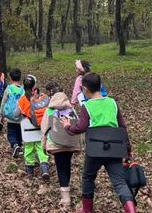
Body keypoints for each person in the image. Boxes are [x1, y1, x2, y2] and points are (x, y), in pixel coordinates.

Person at [63, 72, 136, 213]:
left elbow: (81, 127)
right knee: (119, 182)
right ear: (100, 85)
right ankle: (132, 211)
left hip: (95, 148)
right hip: (115, 147)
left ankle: (87, 210)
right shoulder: (112, 103)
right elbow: (122, 127)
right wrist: (127, 148)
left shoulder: (87, 106)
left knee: (88, 177)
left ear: (85, 89)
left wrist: (67, 126)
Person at [41, 90, 82, 208]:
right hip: (70, 144)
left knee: (60, 168)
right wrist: (79, 145)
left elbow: (44, 129)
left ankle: (65, 197)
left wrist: (44, 145)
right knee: (67, 164)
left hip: (56, 144)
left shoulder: (49, 111)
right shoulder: (72, 111)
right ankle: (66, 186)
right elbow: (78, 127)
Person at [17, 74, 50, 180]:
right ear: (34, 86)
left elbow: (16, 113)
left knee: (28, 148)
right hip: (41, 127)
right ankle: (44, 167)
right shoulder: (41, 98)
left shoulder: (22, 100)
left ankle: (29, 170)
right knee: (41, 147)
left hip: (28, 129)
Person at [0, 68, 24, 158]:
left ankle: (14, 145)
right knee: (19, 133)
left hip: (10, 117)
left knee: (11, 133)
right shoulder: (23, 90)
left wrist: (1, 114)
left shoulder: (9, 89)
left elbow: (4, 102)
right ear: (20, 78)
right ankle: (19, 147)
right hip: (21, 117)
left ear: (10, 78)